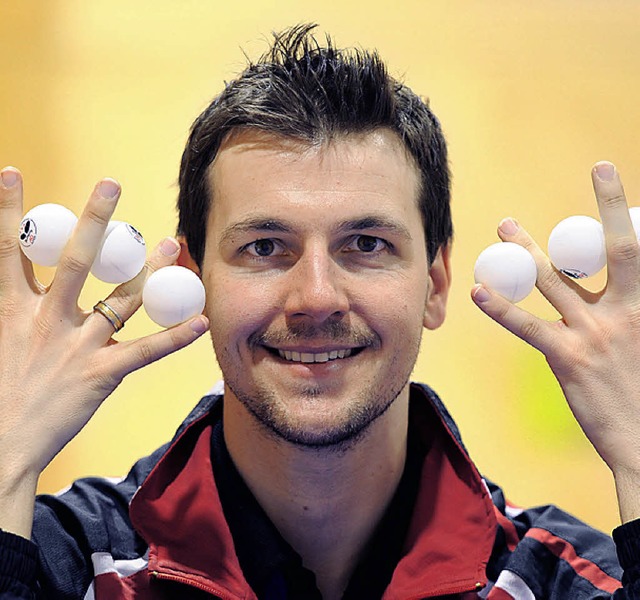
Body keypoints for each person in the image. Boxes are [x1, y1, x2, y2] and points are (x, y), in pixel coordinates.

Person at [0, 23, 639, 599]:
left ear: (435, 284)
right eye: (264, 247)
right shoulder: (67, 566)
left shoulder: (567, 582)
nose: (317, 298)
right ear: (195, 283)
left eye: (366, 245)